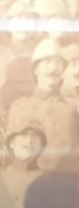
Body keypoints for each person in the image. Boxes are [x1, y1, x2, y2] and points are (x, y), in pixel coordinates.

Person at [8, 40, 79, 172]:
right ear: (36, 69)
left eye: (58, 63)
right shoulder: (20, 107)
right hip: (33, 177)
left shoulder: (73, 107)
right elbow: (12, 152)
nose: (53, 68)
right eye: (47, 62)